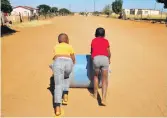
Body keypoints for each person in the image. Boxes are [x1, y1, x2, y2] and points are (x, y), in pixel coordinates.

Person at [51, 33, 75, 116]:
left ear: (58, 41)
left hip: (58, 62)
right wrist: (73, 64)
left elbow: (55, 57)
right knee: (66, 76)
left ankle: (57, 108)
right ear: (67, 40)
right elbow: (73, 58)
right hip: (69, 63)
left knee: (58, 85)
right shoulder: (70, 46)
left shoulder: (56, 46)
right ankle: (65, 95)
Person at [91, 27, 111, 106]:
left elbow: (92, 51)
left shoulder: (93, 40)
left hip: (96, 59)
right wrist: (109, 59)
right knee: (104, 79)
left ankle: (95, 94)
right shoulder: (106, 41)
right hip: (104, 59)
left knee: (96, 76)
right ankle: (103, 99)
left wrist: (93, 59)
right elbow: (109, 52)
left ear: (96, 34)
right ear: (104, 34)